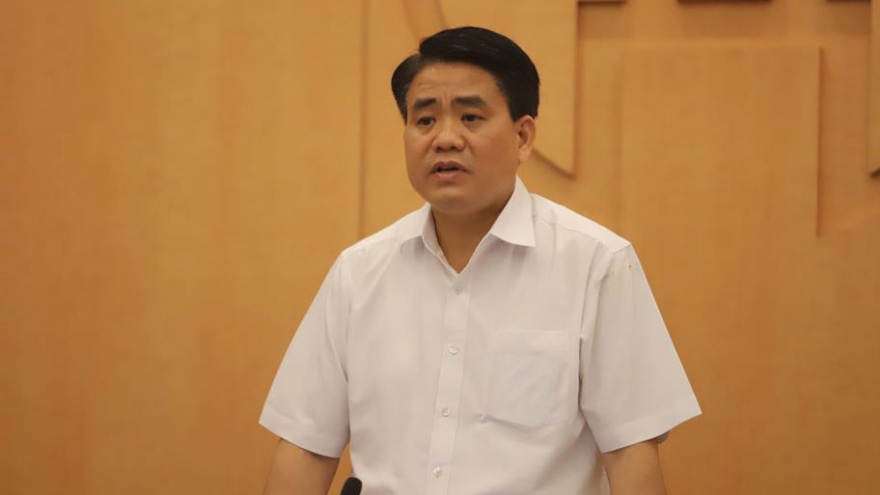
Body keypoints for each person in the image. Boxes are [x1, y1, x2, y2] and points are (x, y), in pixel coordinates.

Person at [260, 26, 700, 495]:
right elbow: (306, 448)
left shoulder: (596, 264)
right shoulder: (359, 272)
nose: (445, 139)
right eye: (425, 120)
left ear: (523, 137)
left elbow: (630, 452)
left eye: (470, 117)